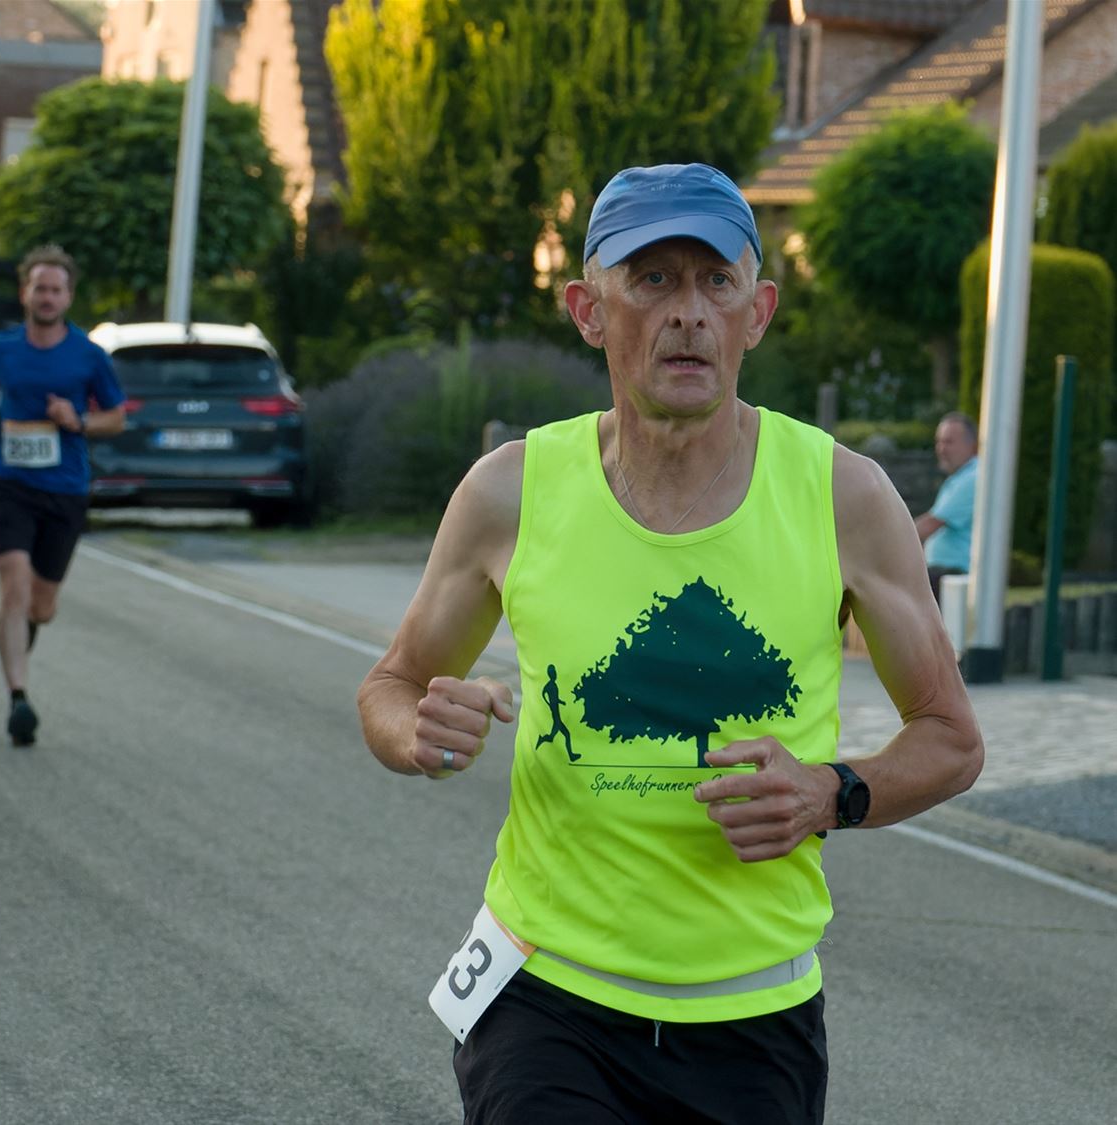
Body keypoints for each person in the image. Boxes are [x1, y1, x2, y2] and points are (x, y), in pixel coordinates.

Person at [357, 164, 984, 1123]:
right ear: (588, 311)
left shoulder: (843, 496)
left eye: (715, 281)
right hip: (545, 997)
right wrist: (417, 732)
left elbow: (950, 736)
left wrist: (830, 792)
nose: (688, 311)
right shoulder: (510, 491)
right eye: (652, 279)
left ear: (757, 313)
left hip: (753, 1017)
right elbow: (392, 683)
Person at [0, 246, 126, 747]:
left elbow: (117, 418)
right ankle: (19, 698)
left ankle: (24, 633)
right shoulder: (1, 348)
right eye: (40, 288)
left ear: (68, 297)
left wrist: (78, 420)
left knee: (42, 605)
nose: (47, 297)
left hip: (65, 490)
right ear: (24, 293)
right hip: (10, 487)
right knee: (13, 583)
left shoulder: (89, 355)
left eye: (56, 290)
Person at [915, 411, 979, 602]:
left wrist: (885, 541)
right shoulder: (960, 477)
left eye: (949, 442)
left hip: (952, 576)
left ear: (972, 445)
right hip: (942, 575)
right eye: (939, 442)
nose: (941, 449)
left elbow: (929, 525)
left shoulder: (972, 478)